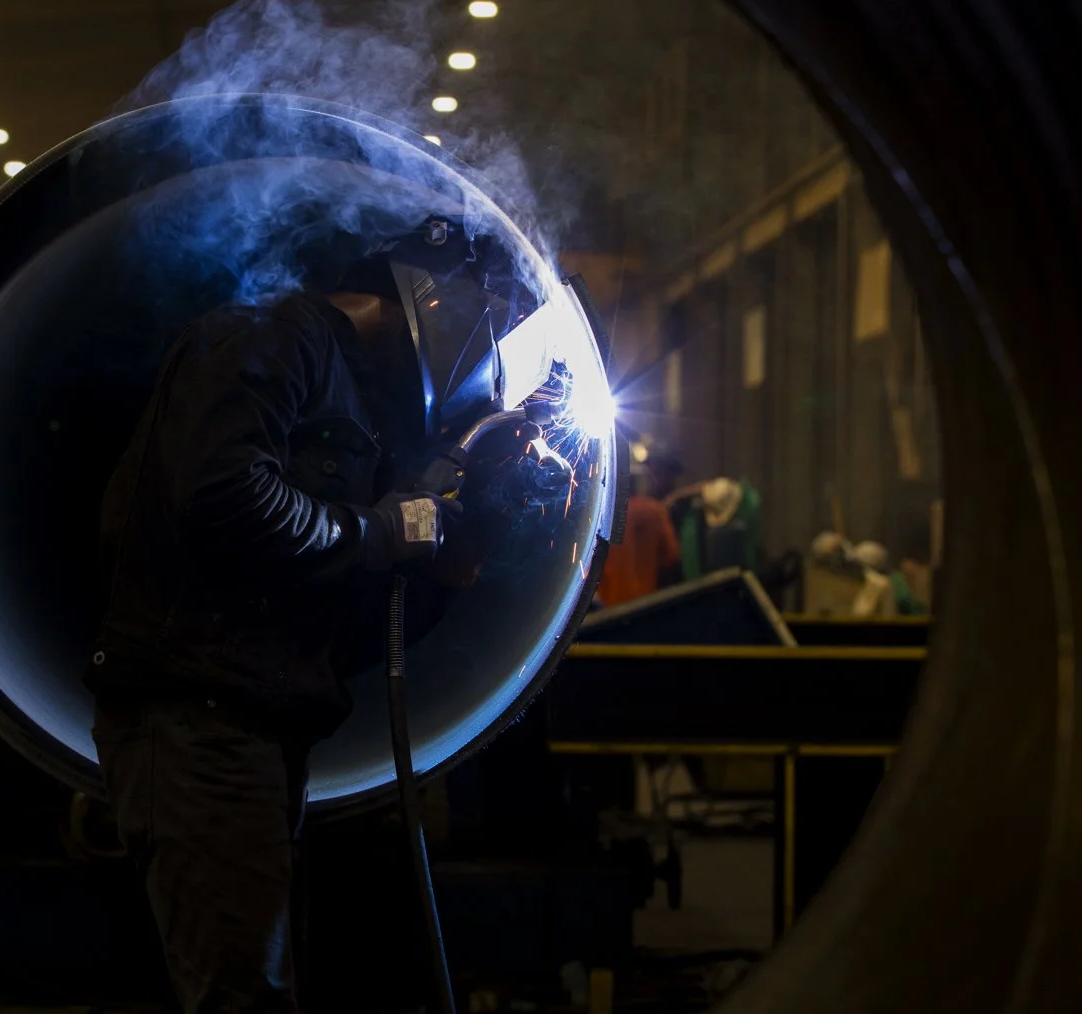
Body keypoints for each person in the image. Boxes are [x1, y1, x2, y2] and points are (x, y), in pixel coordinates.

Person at [84, 216, 529, 1013]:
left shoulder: (355, 399)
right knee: (241, 996)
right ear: (441, 296)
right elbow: (221, 499)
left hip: (255, 728)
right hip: (195, 719)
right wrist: (376, 531)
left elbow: (359, 601)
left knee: (260, 985)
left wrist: (467, 532)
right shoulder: (270, 336)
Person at [597, 452, 681, 606]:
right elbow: (671, 558)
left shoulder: (601, 516)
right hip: (649, 608)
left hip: (610, 613)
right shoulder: (656, 511)